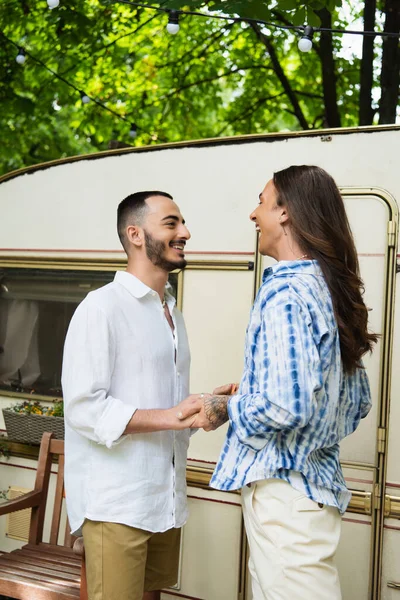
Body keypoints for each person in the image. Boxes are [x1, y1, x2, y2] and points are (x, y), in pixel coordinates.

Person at [181, 166, 376, 599]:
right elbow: (355, 401)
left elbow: (287, 407)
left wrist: (229, 407)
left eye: (262, 202)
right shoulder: (328, 288)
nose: (253, 214)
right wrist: (254, 391)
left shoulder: (285, 293)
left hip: (286, 497)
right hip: (315, 492)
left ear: (285, 212)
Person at [62, 191, 202, 600]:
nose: (185, 233)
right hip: (116, 506)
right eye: (172, 223)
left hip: (166, 501)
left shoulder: (172, 313)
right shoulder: (100, 308)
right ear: (136, 234)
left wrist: (205, 408)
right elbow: (84, 409)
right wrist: (174, 415)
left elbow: (169, 406)